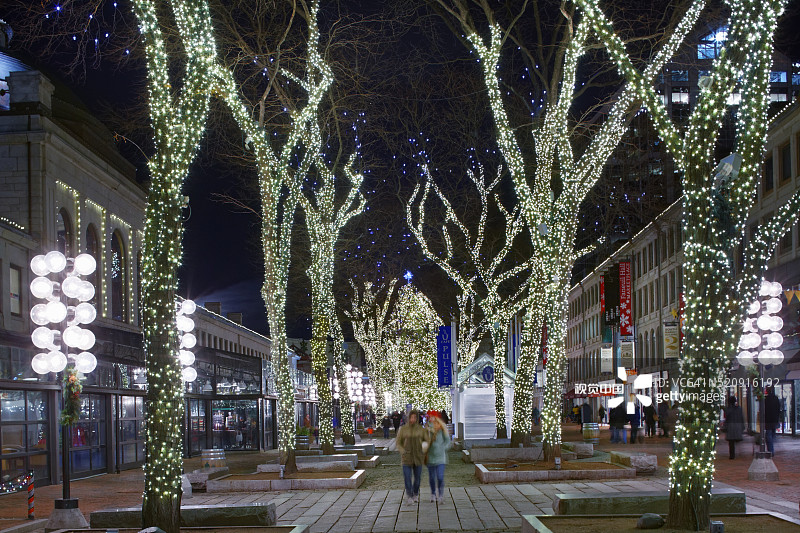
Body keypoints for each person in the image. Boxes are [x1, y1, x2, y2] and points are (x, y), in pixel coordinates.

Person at [395, 410, 429, 504]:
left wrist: (423, 449)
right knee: (407, 477)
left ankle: (415, 493)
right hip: (407, 458)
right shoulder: (403, 429)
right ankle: (409, 495)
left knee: (417, 478)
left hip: (418, 457)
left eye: (414, 417)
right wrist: (403, 451)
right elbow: (398, 442)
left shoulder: (421, 429)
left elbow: (426, 440)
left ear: (417, 418)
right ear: (408, 418)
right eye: (411, 417)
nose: (412, 419)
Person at [426, 414, 452, 503]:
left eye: (436, 423)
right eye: (433, 423)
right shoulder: (428, 432)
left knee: (440, 477)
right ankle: (433, 494)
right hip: (430, 458)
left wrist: (443, 448)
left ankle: (440, 495)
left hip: (441, 458)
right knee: (432, 478)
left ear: (439, 424)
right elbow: (424, 441)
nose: (435, 425)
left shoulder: (443, 431)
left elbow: (448, 442)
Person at [764, 386, 780, 455]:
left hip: (768, 419)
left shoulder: (765, 399)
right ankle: (771, 449)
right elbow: (778, 408)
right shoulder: (776, 398)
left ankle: (770, 450)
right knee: (772, 434)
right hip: (774, 419)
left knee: (768, 435)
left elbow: (764, 410)